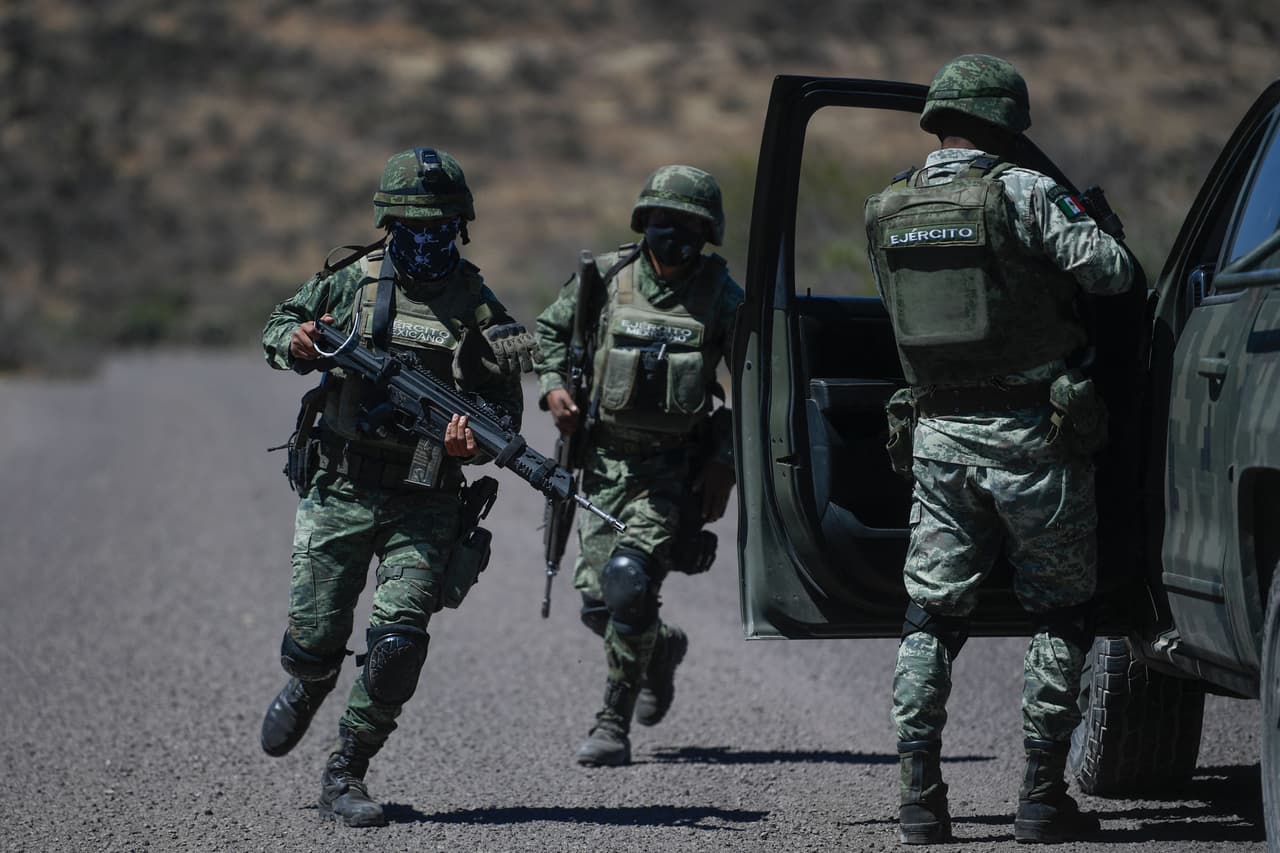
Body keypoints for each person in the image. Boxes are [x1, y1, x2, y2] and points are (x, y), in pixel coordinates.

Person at [863, 55, 1133, 845]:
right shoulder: (1024, 191)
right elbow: (1113, 275)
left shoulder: (886, 206)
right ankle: (1042, 801)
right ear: (1007, 124)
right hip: (1034, 438)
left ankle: (919, 799)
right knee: (1060, 613)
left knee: (930, 617)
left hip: (939, 438)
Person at [258, 147, 540, 827]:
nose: (428, 236)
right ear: (389, 223)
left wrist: (474, 440)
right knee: (315, 638)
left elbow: (507, 409)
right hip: (341, 484)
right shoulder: (349, 281)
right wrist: (293, 342)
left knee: (397, 645)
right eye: (414, 223)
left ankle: (346, 770)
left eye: (441, 223)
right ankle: (312, 677)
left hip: (427, 496)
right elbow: (276, 326)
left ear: (461, 224)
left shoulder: (483, 307)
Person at [534, 165, 744, 766]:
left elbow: (754, 387)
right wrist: (553, 390)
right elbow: (550, 333)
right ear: (642, 223)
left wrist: (724, 464)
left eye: (687, 226)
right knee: (599, 605)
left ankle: (611, 723)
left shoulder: (722, 297)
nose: (672, 234)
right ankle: (660, 648)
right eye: (661, 221)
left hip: (670, 473)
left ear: (707, 234)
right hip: (602, 465)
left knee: (629, 585)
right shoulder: (604, 278)